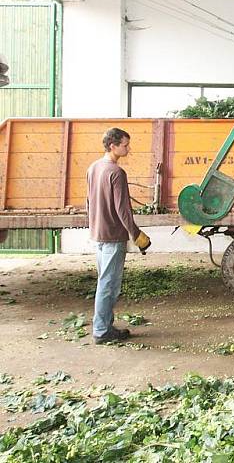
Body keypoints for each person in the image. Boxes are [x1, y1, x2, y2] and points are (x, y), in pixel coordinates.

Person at [87, 128, 151, 344]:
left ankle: (105, 325)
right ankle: (102, 331)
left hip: (99, 234)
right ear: (112, 146)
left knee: (104, 281)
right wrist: (137, 235)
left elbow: (89, 202)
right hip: (114, 236)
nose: (128, 148)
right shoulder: (116, 172)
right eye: (125, 145)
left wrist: (93, 227)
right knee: (109, 285)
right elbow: (123, 209)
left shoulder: (93, 168)